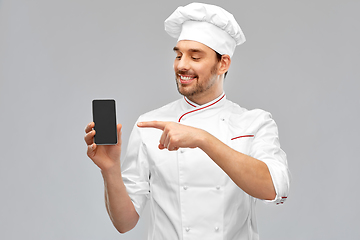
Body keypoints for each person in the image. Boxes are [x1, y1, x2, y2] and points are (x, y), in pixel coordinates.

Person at [84, 3, 290, 240]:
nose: (182, 65)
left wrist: (202, 139)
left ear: (223, 63)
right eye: (178, 55)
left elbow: (274, 189)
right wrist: (110, 170)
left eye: (195, 56)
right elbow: (125, 223)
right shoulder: (150, 124)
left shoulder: (254, 123)